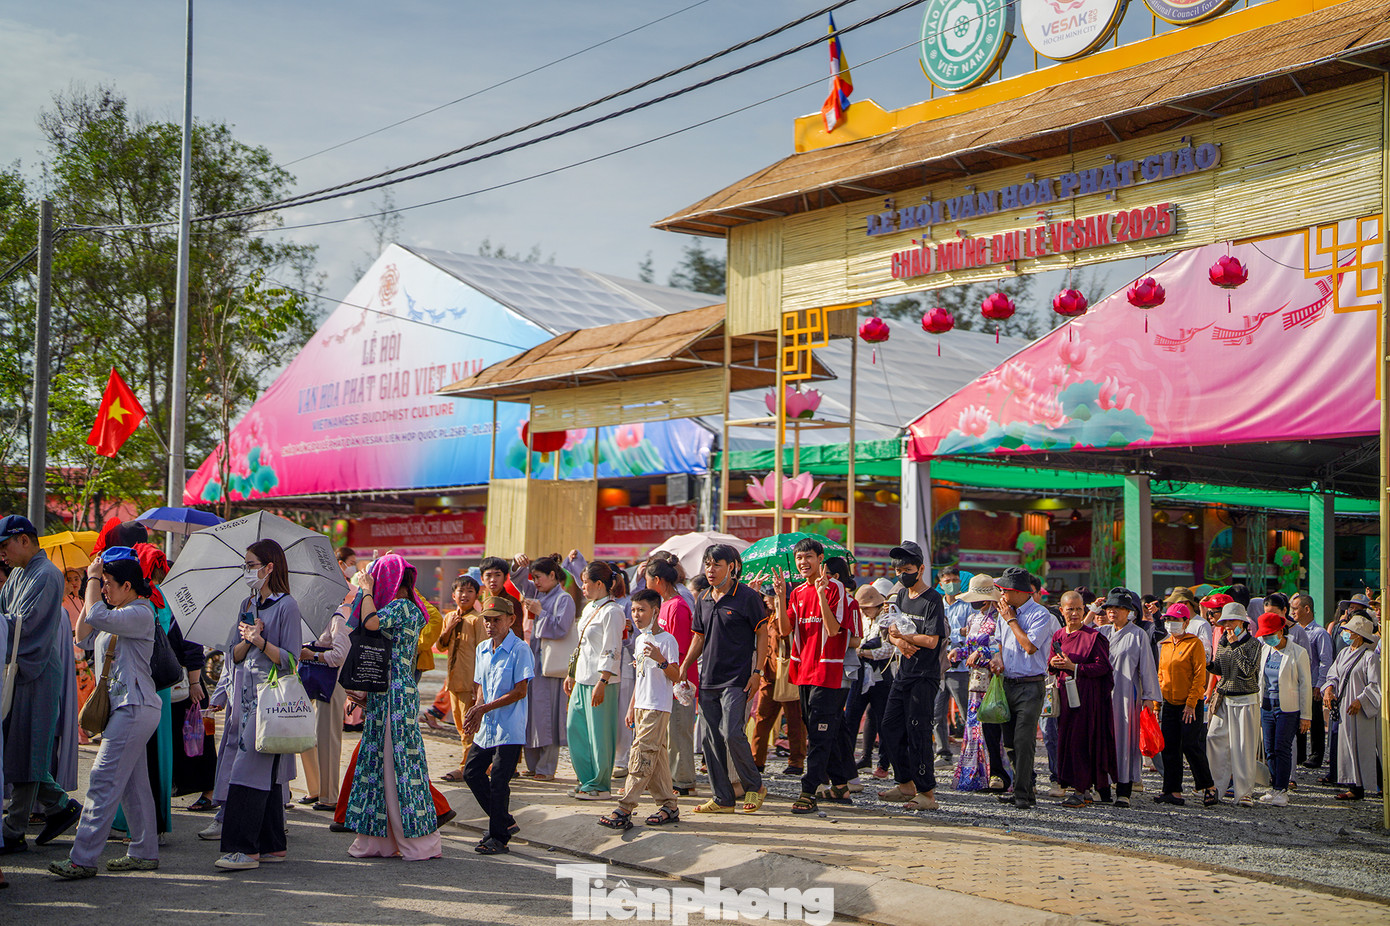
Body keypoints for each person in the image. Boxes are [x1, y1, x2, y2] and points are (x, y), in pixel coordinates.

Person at [48, 548, 163, 879]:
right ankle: (144, 852)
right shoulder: (119, 611)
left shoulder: (139, 612)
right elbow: (83, 634)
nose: (104, 589)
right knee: (132, 784)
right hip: (126, 708)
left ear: (128, 586)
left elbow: (96, 617)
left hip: (134, 706)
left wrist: (94, 577)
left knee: (101, 780)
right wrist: (94, 583)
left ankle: (82, 858)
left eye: (110, 584)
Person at [211, 539, 303, 871]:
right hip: (244, 699)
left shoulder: (287, 606)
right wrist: (248, 639)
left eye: (251, 565)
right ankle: (272, 845)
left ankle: (244, 849)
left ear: (269, 568)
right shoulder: (247, 605)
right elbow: (232, 655)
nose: (247, 571)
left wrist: (261, 641)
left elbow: (293, 662)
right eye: (245, 565)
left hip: (271, 701)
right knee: (262, 771)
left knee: (248, 769)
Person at [345, 554, 442, 861]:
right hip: (392, 692)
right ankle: (386, 840)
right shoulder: (410, 607)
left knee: (393, 765)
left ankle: (403, 841)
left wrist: (367, 590)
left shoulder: (401, 607)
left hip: (394, 696)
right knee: (386, 765)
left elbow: (370, 623)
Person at [0, 514, 81, 855]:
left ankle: (14, 828)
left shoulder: (46, 575)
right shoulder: (20, 573)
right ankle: (61, 806)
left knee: (27, 749)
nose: (2, 554)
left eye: (5, 546)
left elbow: (25, 625)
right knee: (19, 749)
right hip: (22, 669)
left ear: (24, 539)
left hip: (36, 670)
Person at [679, 544, 768, 814]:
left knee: (732, 734)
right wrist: (684, 666)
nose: (710, 569)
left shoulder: (748, 597)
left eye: (717, 564)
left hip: (737, 679)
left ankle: (755, 786)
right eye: (707, 564)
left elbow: (762, 634)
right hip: (708, 679)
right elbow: (699, 636)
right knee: (709, 740)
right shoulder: (703, 597)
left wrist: (757, 672)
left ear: (732, 567)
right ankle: (723, 799)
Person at [773, 538, 858, 814]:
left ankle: (809, 790)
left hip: (830, 672)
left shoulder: (837, 590)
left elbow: (834, 630)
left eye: (808, 557)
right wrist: (780, 598)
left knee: (820, 735)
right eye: (799, 558)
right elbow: (785, 630)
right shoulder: (796, 593)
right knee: (822, 730)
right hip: (803, 671)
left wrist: (821, 595)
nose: (803, 563)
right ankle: (842, 786)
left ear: (820, 558)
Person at [598, 589, 681, 830]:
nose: (636, 615)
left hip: (658, 706)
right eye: (633, 610)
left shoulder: (667, 641)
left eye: (642, 610)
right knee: (657, 756)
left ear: (656, 611)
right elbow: (640, 676)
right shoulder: (639, 639)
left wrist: (660, 658)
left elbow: (675, 675)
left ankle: (625, 807)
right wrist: (631, 707)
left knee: (642, 754)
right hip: (642, 705)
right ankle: (669, 805)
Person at [872, 540, 946, 812]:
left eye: (908, 568)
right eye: (899, 569)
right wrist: (900, 641)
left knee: (919, 732)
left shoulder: (932, 599)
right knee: (889, 726)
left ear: (921, 569)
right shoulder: (901, 596)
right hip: (903, 673)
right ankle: (904, 783)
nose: (902, 574)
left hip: (924, 676)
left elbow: (932, 640)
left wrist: (908, 637)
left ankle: (927, 792)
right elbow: (891, 628)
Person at [462, 597, 534, 855]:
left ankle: (498, 837)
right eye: (487, 620)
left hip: (509, 727)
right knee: (471, 772)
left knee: (499, 781)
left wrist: (484, 708)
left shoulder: (520, 649)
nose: (490, 625)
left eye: (496, 620)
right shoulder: (483, 648)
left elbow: (520, 691)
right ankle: (503, 821)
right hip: (487, 725)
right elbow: (480, 685)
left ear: (511, 620)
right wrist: (476, 711)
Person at [987, 567, 1055, 809]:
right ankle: (1022, 789)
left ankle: (1023, 794)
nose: (1001, 595)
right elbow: (999, 644)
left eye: (1004, 590)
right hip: (1008, 683)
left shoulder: (1040, 614)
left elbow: (1029, 647)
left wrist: (1011, 620)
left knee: (1024, 741)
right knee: (1010, 743)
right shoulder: (1004, 613)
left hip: (1031, 685)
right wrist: (998, 659)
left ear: (1018, 592)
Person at [1049, 589, 1118, 808]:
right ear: (1062, 611)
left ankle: (1081, 789)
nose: (1075, 614)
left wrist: (1075, 667)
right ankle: (1080, 789)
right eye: (1070, 610)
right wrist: (1054, 665)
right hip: (1064, 695)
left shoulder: (1093, 636)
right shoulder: (1059, 635)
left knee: (1081, 742)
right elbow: (1050, 661)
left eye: (1079, 609)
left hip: (1087, 699)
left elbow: (1103, 667)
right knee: (1065, 742)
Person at [566, 561, 626, 800]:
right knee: (576, 730)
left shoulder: (613, 611)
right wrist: (571, 674)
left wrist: (603, 681)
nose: (582, 587)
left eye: (585, 583)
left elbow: (612, 649)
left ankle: (600, 785)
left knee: (600, 735)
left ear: (599, 584)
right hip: (581, 678)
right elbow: (582, 645)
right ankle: (586, 780)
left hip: (602, 681)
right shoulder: (591, 607)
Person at [512, 555, 576, 781]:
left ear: (552, 575)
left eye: (538, 577)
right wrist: (519, 565)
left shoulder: (564, 599)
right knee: (529, 715)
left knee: (548, 716)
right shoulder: (537, 593)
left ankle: (547, 768)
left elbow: (561, 629)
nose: (535, 582)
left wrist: (541, 613)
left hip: (550, 667)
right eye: (533, 577)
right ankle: (533, 765)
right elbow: (518, 581)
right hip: (532, 664)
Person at [1098, 588, 1161, 807]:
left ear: (1129, 611)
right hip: (1102, 695)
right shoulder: (1102, 632)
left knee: (1125, 741)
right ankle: (1103, 788)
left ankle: (1124, 789)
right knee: (1102, 739)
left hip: (1127, 695)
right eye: (1109, 608)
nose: (1113, 612)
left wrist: (1148, 698)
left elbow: (1147, 668)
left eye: (1118, 608)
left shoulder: (1138, 635)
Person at [646, 559, 702, 792]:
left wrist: (676, 677)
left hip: (679, 678)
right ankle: (670, 777)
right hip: (665, 677)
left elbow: (680, 649)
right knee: (668, 733)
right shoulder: (664, 605)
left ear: (657, 581)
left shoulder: (677, 607)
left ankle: (684, 780)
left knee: (679, 731)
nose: (646, 584)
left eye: (647, 580)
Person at [297, 572, 351, 812]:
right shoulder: (309, 616)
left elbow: (341, 655)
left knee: (327, 739)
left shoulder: (338, 618)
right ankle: (315, 788)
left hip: (331, 683)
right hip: (308, 680)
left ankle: (329, 796)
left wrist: (314, 655)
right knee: (302, 734)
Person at [1155, 603, 1215, 806]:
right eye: (1168, 620)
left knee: (1191, 745)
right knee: (1169, 747)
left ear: (1186, 622)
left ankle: (1208, 786)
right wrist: (1157, 703)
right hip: (1169, 702)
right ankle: (1172, 791)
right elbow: (1160, 675)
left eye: (1175, 620)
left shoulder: (1194, 643)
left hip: (1190, 703)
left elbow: (1200, 676)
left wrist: (1191, 704)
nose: (1171, 624)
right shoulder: (1165, 645)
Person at [1205, 602, 1262, 807]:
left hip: (1245, 698)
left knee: (1243, 746)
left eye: (1230, 620)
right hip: (1224, 697)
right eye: (1225, 621)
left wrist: (1236, 644)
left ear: (1243, 622)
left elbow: (1248, 670)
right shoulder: (1223, 641)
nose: (1227, 625)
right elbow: (1220, 667)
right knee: (1214, 738)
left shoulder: (1254, 644)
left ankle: (1244, 792)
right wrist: (1208, 664)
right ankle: (1216, 788)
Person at [1253, 609, 1312, 806]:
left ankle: (1282, 789)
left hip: (1288, 708)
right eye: (1264, 636)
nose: (1267, 638)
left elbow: (1305, 686)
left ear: (1280, 632)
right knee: (1269, 748)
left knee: (1282, 747)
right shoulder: (1265, 651)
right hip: (1267, 705)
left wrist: (1306, 715)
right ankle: (1275, 786)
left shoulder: (1298, 652)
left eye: (1269, 635)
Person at [1322, 613, 1380, 800]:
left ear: (1357, 634)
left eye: (1348, 630)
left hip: (1359, 708)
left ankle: (1370, 784)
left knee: (1362, 745)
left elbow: (1375, 685)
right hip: (1344, 705)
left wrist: (1361, 701)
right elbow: (1333, 674)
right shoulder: (1344, 653)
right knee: (1346, 744)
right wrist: (1329, 689)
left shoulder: (1369, 657)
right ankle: (1352, 785)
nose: (1345, 633)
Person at [752, 582, 806, 776]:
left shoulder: (789, 614)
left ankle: (796, 761)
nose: (766, 599)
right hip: (768, 674)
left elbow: (786, 633)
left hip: (788, 674)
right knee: (762, 719)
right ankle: (757, 760)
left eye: (769, 595)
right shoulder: (768, 615)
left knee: (794, 721)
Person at [955, 575, 1003, 792]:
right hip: (975, 681)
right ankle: (975, 774)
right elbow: (968, 647)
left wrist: (981, 652)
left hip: (992, 679)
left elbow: (999, 648)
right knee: (975, 725)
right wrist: (959, 652)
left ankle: (997, 773)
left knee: (992, 725)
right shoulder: (973, 620)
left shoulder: (1000, 619)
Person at [437, 575, 486, 781]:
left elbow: (483, 652)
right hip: (454, 681)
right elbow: (440, 646)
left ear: (477, 595)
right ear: (453, 595)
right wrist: (448, 628)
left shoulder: (478, 619)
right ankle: (477, 764)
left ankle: (466, 767)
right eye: (460, 591)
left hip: (470, 682)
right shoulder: (449, 617)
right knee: (459, 725)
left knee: (468, 727)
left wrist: (479, 684)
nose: (464, 595)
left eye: (469, 592)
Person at [850, 584, 892, 777]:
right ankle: (852, 759)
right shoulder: (861, 620)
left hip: (881, 675)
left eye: (867, 607)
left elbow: (888, 650)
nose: (865, 611)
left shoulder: (886, 620)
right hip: (860, 675)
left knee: (884, 721)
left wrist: (863, 652)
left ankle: (884, 762)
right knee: (851, 717)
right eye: (862, 608)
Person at [1291, 592, 1334, 770]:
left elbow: (1325, 661)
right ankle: (1300, 754)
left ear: (1306, 609)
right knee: (1297, 718)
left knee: (1315, 721)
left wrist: (1319, 685)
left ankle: (1316, 755)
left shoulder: (1319, 633)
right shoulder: (1294, 631)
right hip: (1297, 683)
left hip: (1313, 684)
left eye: (1295, 608)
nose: (1292, 612)